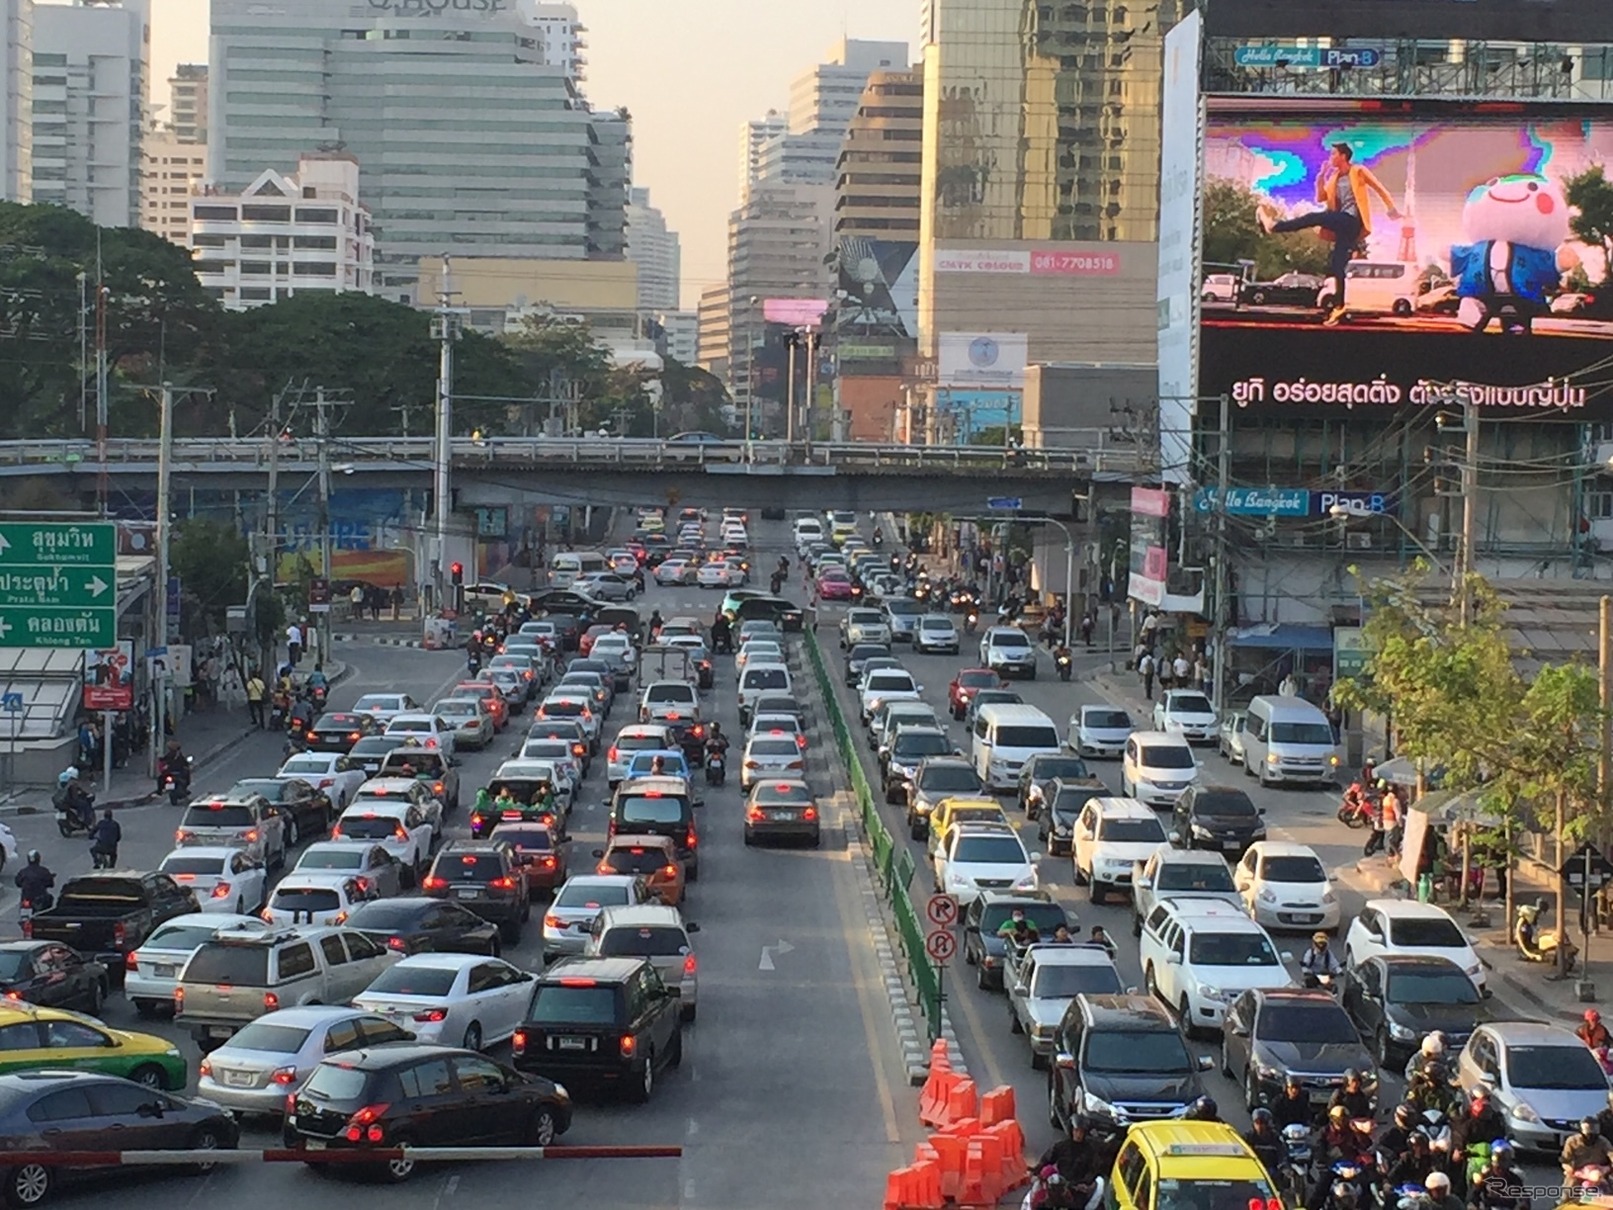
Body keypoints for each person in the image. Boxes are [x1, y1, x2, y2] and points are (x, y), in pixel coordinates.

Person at [1256, 140, 1403, 327]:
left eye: (1334, 154)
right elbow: (1320, 197)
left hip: (1352, 221)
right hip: (1342, 226)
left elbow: (1379, 188)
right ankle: (1339, 307)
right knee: (1337, 264)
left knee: (1313, 217)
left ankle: (1274, 226)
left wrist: (1391, 208)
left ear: (1343, 156)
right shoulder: (1333, 178)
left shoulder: (1358, 171)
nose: (1331, 157)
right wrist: (1320, 179)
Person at [1466, 1142, 1526, 1210]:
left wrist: (1522, 1206)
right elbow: (1472, 1195)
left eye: (1503, 1168)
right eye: (1498, 1168)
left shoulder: (1514, 1179)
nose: (1500, 1170)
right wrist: (1476, 1205)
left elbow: (1524, 1198)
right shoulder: (1485, 1177)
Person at [1564, 1118, 1613, 1184]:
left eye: (1593, 1134)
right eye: (1588, 1134)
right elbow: (1566, 1159)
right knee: (1570, 1186)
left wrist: (1607, 1169)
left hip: (1599, 1172)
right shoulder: (1572, 1141)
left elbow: (1611, 1154)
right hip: (1578, 1172)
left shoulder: (1603, 1142)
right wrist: (1569, 1169)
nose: (1590, 1137)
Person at [1244, 1108, 1286, 1174]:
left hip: (1271, 1171)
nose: (1259, 1126)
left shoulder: (1274, 1137)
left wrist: (1283, 1167)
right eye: (1257, 1123)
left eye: (1262, 1123)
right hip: (1254, 1169)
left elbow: (1282, 1155)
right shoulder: (1249, 1137)